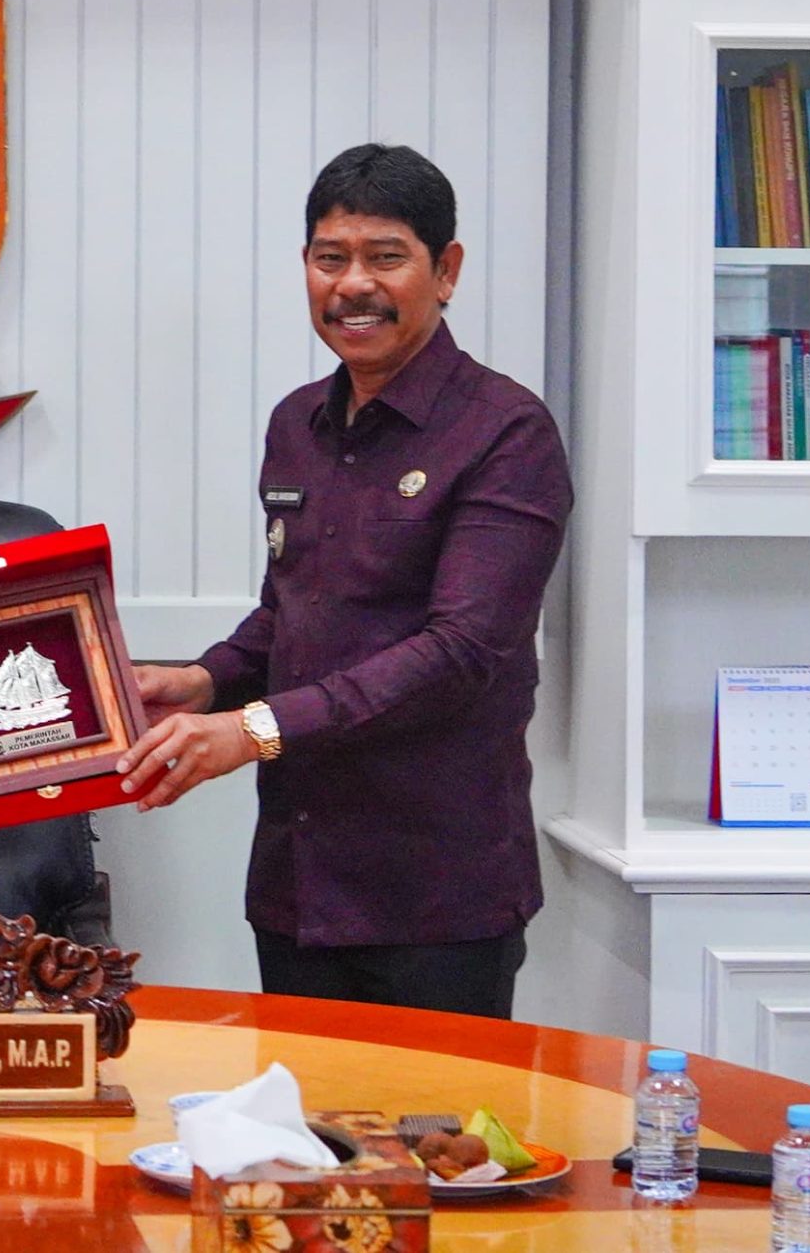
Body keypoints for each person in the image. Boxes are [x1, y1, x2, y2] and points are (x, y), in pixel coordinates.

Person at [118, 143, 571, 1020]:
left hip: (438, 897)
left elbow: (462, 652)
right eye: (331, 259)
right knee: (302, 1110)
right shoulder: (297, 424)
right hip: (298, 878)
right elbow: (290, 610)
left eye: (385, 257)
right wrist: (205, 680)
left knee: (434, 1115)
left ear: (446, 270)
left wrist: (254, 728)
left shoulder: (506, 432)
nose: (353, 285)